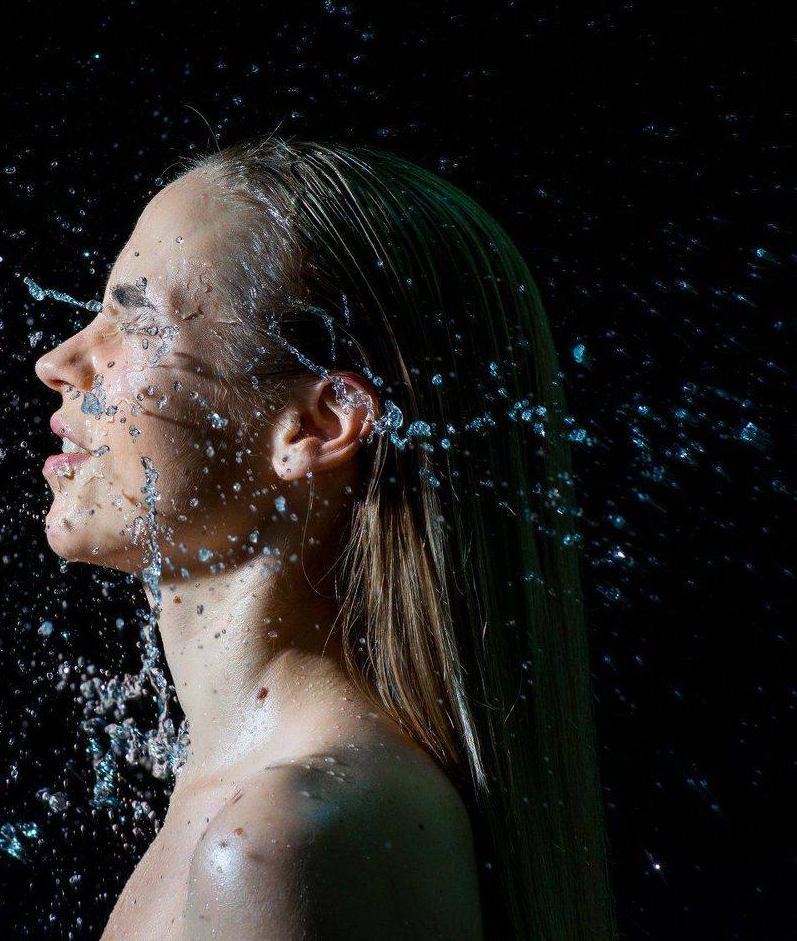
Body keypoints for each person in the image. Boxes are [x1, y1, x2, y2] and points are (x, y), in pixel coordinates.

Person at [35, 137, 615, 940]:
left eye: (134, 320)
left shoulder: (281, 845)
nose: (59, 361)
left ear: (317, 425)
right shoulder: (261, 811)